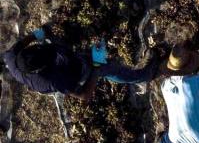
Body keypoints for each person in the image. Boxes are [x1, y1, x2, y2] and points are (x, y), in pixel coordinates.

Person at [3, 26, 160, 101]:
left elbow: (26, 40)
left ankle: (85, 57)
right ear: (43, 68)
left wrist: (41, 32)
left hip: (54, 67)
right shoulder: (52, 80)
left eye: (39, 47)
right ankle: (147, 74)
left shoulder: (11, 56)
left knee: (66, 49)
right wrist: (97, 67)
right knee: (109, 70)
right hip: (75, 74)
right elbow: (84, 95)